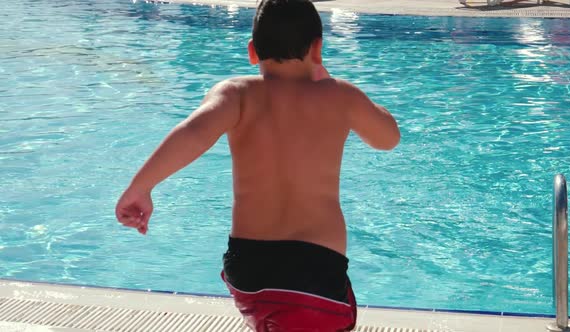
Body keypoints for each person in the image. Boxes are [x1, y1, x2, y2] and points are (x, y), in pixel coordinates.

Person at [115, 0, 400, 330]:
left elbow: (192, 133)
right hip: (313, 272)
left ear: (252, 51)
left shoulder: (236, 94)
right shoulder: (340, 97)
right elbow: (388, 138)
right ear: (317, 48)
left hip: (248, 269)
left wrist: (141, 187)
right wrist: (334, 82)